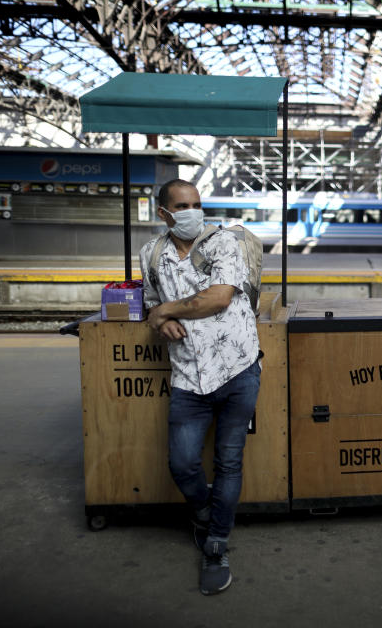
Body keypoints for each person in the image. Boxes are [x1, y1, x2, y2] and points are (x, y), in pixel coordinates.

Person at [140, 179, 261, 597]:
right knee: (182, 463)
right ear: (164, 214)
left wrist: (162, 311)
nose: (192, 211)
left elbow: (219, 298)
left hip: (238, 371)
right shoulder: (151, 253)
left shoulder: (223, 243)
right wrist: (160, 319)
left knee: (229, 462)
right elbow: (150, 299)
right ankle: (208, 513)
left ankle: (216, 544)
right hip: (189, 375)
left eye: (196, 203)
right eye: (182, 205)